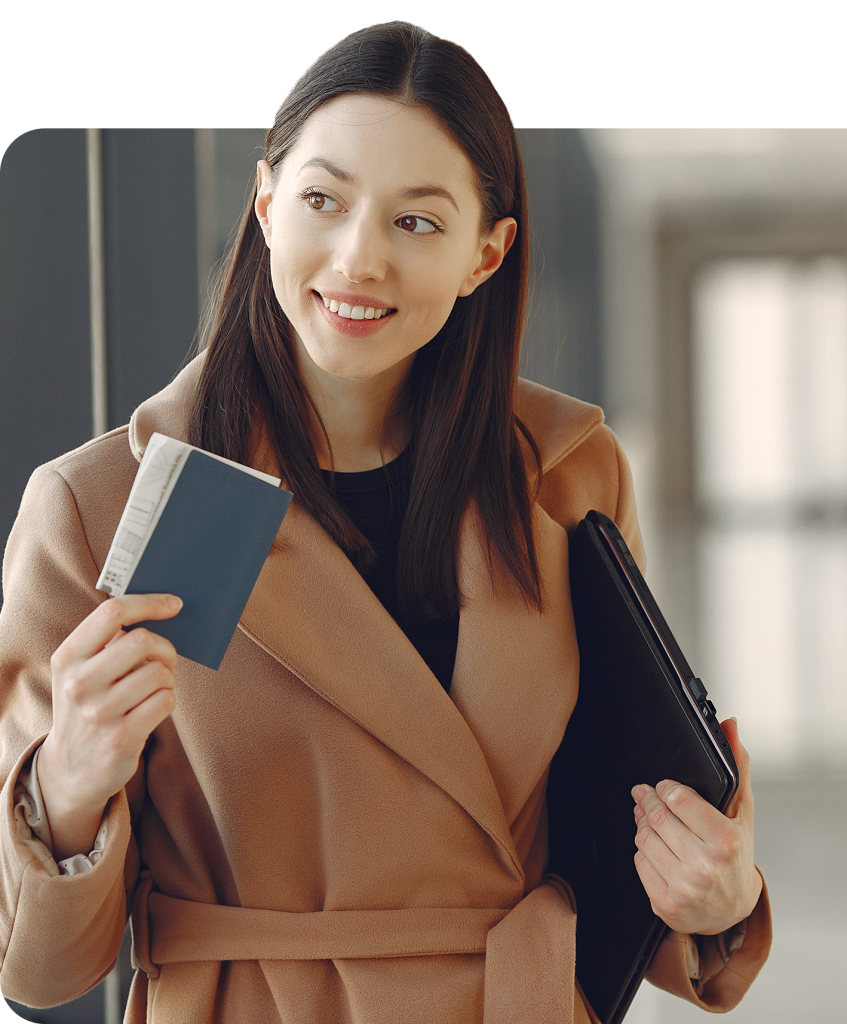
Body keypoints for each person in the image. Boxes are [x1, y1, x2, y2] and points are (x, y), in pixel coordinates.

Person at [0, 24, 770, 1024]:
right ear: (267, 204)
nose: (357, 258)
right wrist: (65, 786)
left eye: (416, 222)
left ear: (484, 255)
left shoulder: (562, 473)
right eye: (323, 200)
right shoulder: (101, 505)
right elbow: (38, 962)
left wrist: (719, 894)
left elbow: (603, 804)